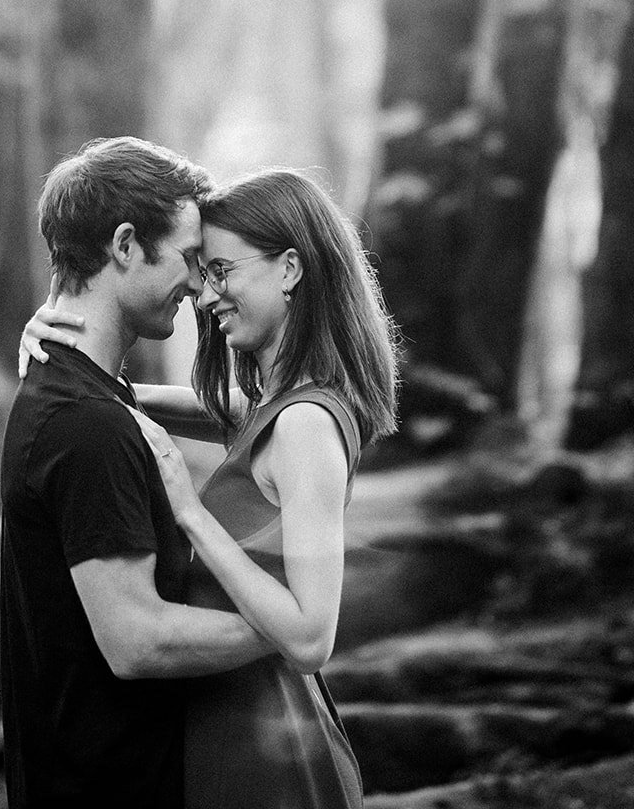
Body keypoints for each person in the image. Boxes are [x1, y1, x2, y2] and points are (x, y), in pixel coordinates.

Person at [21, 166, 400, 809]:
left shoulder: (306, 425)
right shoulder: (273, 410)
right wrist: (58, 352)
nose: (204, 292)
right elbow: (124, 404)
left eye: (221, 270)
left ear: (288, 269)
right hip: (232, 739)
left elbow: (312, 638)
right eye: (200, 268)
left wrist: (194, 515)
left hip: (274, 758)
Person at [1, 136, 271, 809]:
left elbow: (272, 418)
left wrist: (125, 398)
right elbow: (137, 641)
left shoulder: (81, 399)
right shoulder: (85, 426)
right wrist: (288, 628)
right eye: (186, 258)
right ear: (124, 245)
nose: (200, 283)